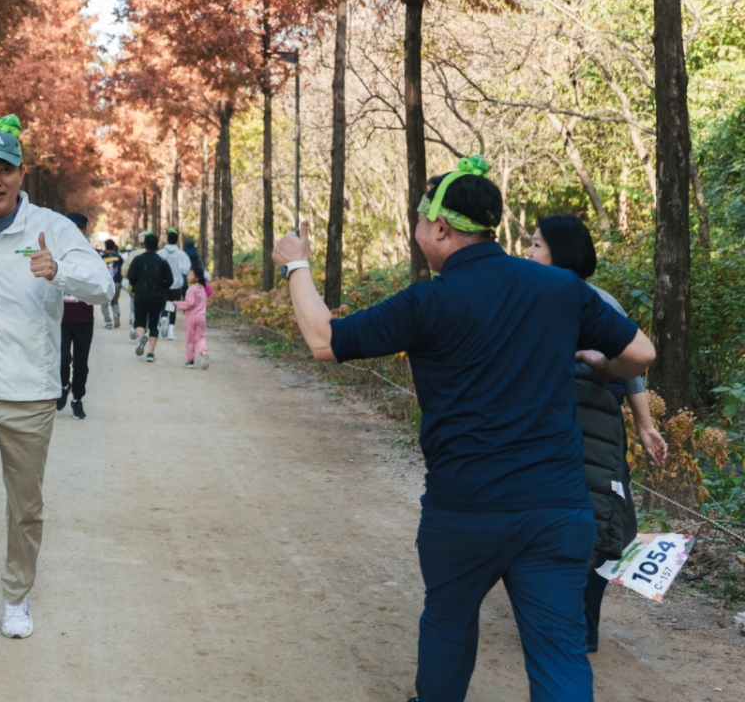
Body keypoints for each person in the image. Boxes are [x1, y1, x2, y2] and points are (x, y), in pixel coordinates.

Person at [273, 156, 655, 702]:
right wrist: (598, 363)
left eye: (418, 219)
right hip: (556, 506)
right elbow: (641, 353)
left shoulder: (427, 302)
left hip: (465, 508)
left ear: (440, 229)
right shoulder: (560, 288)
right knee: (558, 650)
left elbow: (323, 340)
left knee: (449, 625)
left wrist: (297, 265)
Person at [0, 115, 114, 673]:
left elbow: (104, 285)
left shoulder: (52, 228)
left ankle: (15, 596)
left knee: (25, 505)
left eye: (5, 170)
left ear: (21, 174)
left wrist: (58, 271)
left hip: (30, 393)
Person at [525, 213, 668, 653]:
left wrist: (645, 425)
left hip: (595, 427)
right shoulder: (525, 296)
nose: (528, 252)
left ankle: (579, 622)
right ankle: (564, 619)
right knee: (563, 519)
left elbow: (633, 365)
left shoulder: (599, 302)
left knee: (602, 522)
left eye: (536, 244)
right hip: (548, 424)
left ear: (561, 252)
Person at [58, 212, 97, 420]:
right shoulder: (56, 252)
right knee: (62, 358)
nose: (76, 231)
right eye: (72, 226)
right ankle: (63, 385)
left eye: (79, 227)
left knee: (81, 364)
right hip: (61, 316)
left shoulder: (91, 255)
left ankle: (77, 398)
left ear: (84, 230)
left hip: (84, 316)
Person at [126, 232, 173, 363]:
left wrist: (137, 286)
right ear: (157, 245)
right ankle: (151, 354)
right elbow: (170, 280)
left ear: (144, 245)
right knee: (153, 324)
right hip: (156, 296)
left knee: (139, 322)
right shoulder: (162, 262)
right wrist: (161, 287)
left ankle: (141, 337)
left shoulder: (138, 260)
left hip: (140, 295)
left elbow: (131, 277)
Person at [173, 267, 211, 369]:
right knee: (200, 337)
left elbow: (189, 303)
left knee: (190, 339)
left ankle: (190, 361)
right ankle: (204, 352)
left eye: (190, 275)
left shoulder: (191, 289)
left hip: (191, 318)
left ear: (197, 278)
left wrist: (177, 303)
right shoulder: (203, 288)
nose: (187, 277)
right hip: (201, 317)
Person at [158, 228, 192, 339]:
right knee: (172, 307)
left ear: (167, 239)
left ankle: (163, 319)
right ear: (177, 240)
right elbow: (186, 270)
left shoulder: (160, 253)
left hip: (162, 285)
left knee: (164, 304)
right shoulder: (182, 255)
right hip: (176, 285)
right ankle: (171, 332)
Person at [100, 238, 124, 329]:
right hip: (116, 282)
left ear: (105, 247)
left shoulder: (102, 258)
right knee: (115, 302)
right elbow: (123, 269)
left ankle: (108, 322)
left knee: (104, 303)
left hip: (105, 283)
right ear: (114, 247)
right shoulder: (119, 258)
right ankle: (116, 315)